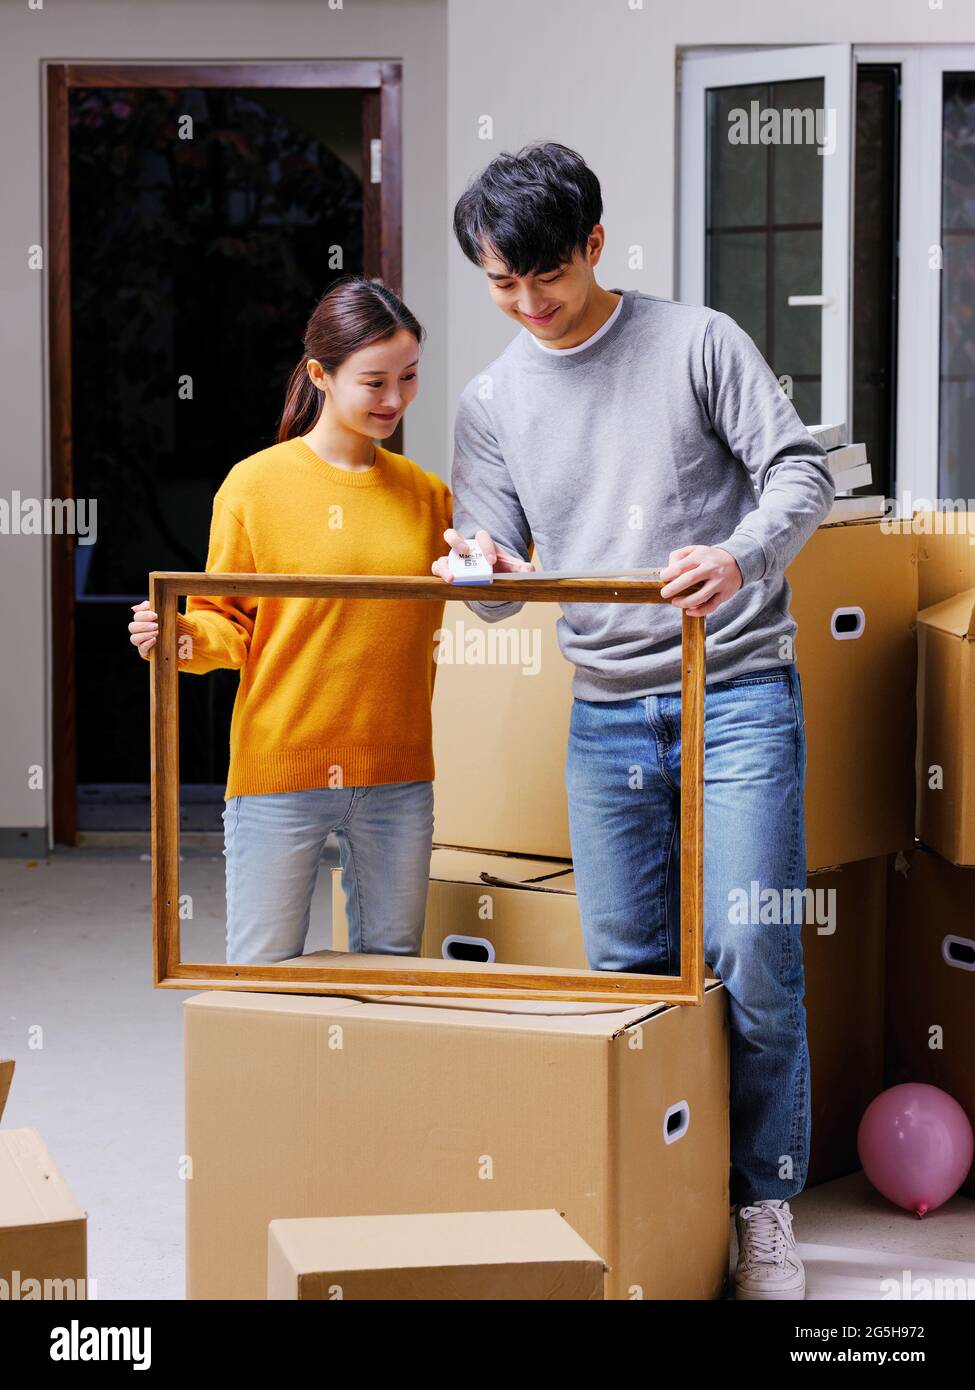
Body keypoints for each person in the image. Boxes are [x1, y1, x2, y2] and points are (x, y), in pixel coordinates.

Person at [434, 141, 835, 1300]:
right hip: (606, 712)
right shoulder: (493, 399)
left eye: (544, 277)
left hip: (737, 696)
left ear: (595, 245)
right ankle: (648, 1191)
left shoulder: (697, 343)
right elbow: (499, 566)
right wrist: (486, 570)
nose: (526, 304)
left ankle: (763, 1204)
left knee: (752, 953)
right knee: (622, 974)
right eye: (501, 285)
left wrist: (743, 553)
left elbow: (798, 473)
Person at [130, 274, 451, 966]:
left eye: (409, 377)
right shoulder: (255, 486)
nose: (394, 399)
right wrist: (181, 638)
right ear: (320, 374)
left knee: (392, 976)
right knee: (262, 978)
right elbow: (225, 622)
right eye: (374, 382)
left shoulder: (428, 497)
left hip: (398, 773)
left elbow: (490, 582)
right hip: (280, 768)